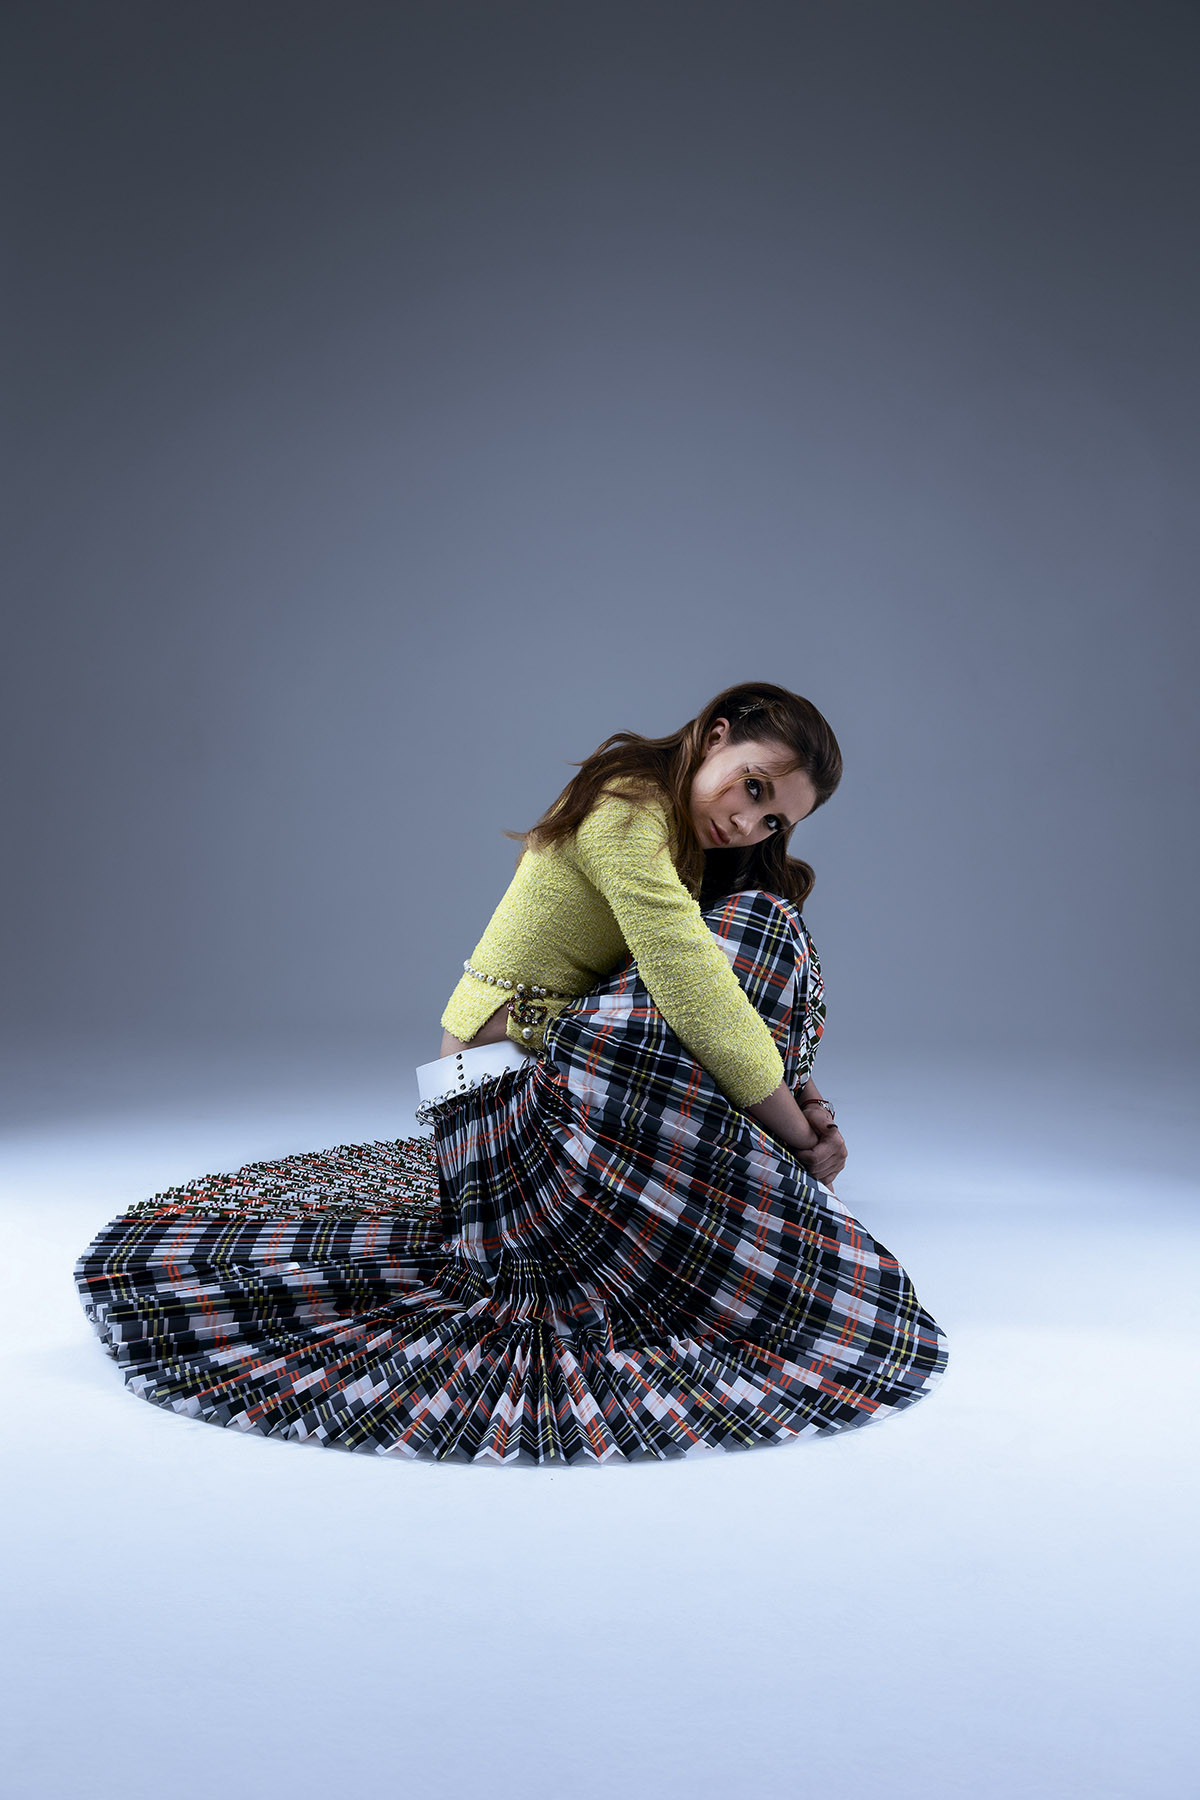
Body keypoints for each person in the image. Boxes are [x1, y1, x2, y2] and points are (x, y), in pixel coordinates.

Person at [76, 681, 947, 1463]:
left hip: (552, 1071)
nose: (749, 825)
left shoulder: (680, 832)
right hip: (496, 1103)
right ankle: (771, 1164)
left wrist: (801, 1095)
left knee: (760, 920)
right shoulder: (626, 808)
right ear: (715, 735)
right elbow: (693, 985)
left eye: (773, 821)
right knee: (725, 953)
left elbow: (733, 998)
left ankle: (761, 1155)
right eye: (753, 788)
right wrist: (794, 1134)